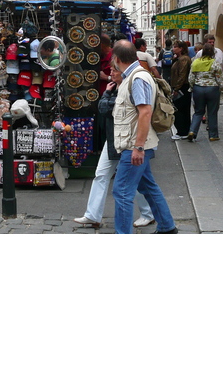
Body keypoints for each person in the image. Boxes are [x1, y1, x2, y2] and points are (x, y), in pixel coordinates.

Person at [74, 61, 155, 229]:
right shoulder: (116, 88)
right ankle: (92, 215)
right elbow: (104, 108)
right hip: (113, 139)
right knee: (101, 174)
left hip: (127, 140)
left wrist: (106, 95)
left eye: (113, 70)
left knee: (137, 181)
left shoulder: (127, 86)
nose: (110, 73)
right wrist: (107, 94)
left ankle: (148, 214)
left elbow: (106, 108)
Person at [111, 40, 178, 234]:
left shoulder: (137, 78)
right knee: (147, 185)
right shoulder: (132, 76)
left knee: (122, 191)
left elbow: (145, 112)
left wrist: (138, 147)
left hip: (135, 145)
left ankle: (122, 235)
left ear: (117, 59)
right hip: (136, 143)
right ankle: (166, 225)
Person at [187, 43, 223, 142]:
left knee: (198, 112)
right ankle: (213, 135)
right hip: (212, 89)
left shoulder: (195, 62)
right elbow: (220, 79)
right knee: (212, 112)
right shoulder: (215, 63)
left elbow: (191, 78)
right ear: (212, 53)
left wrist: (192, 88)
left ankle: (192, 131)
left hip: (198, 89)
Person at [170, 40, 192, 140]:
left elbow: (182, 75)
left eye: (175, 47)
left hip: (182, 87)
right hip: (181, 86)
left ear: (181, 48)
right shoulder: (179, 59)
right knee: (183, 109)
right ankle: (184, 131)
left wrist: (176, 88)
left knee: (178, 109)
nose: (173, 48)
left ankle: (182, 131)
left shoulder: (184, 59)